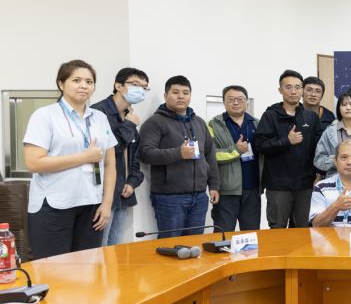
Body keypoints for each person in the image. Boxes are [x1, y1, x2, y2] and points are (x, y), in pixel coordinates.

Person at [23, 60, 117, 259]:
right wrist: (84, 157)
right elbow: (33, 163)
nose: (84, 85)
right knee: (53, 270)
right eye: (76, 80)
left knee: (87, 269)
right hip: (53, 205)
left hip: (92, 205)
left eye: (89, 82)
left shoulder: (100, 118)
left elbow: (109, 164)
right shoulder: (45, 115)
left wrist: (107, 203)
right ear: (61, 84)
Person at [139, 75, 220, 238]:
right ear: (165, 95)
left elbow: (210, 155)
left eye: (185, 93)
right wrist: (178, 153)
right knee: (170, 244)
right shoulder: (155, 122)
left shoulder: (199, 122)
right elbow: (145, 153)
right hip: (170, 197)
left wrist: (214, 185)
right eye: (175, 92)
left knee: (195, 243)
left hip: (199, 196)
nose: (181, 96)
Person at [253, 70, 327, 229]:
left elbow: (319, 148)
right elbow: (259, 145)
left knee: (304, 229)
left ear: (302, 90)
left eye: (297, 87)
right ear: (280, 90)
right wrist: (286, 141)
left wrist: (319, 173)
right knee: (278, 228)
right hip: (278, 185)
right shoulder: (270, 115)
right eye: (288, 87)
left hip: (305, 184)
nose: (293, 91)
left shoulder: (311, 117)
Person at [91, 67, 149, 246]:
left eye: (144, 87)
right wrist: (129, 125)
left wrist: (132, 182)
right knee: (99, 247)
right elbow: (105, 151)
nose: (140, 90)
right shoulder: (98, 112)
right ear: (118, 85)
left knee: (115, 248)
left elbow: (134, 156)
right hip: (101, 193)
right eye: (135, 84)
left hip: (123, 193)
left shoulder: (129, 115)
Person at [208, 85, 260, 232]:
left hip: (252, 189)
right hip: (226, 190)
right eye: (230, 99)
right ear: (224, 102)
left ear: (246, 102)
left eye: (240, 99)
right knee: (223, 235)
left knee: (251, 235)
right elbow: (210, 155)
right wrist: (236, 151)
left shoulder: (257, 123)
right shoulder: (213, 124)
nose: (236, 102)